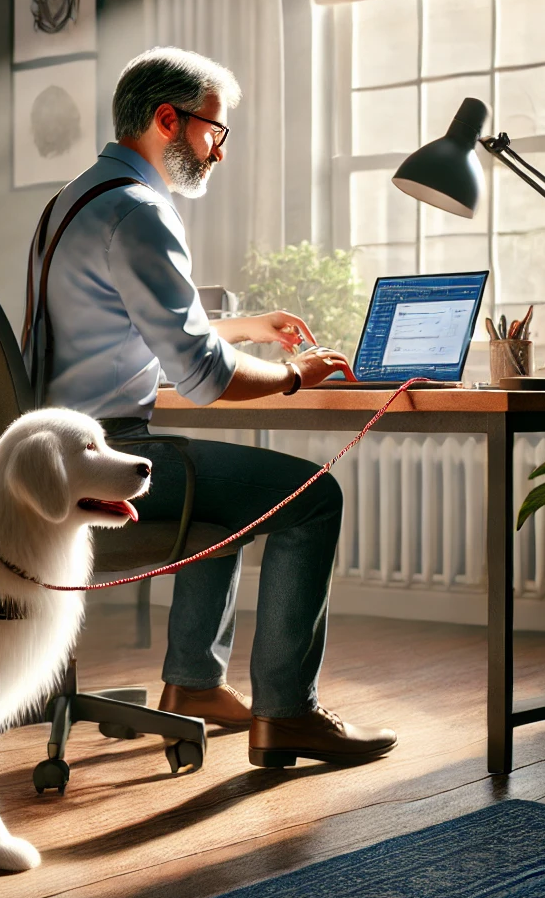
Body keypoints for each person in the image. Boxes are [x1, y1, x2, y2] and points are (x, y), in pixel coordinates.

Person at [22, 47, 396, 767]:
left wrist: (247, 327)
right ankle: (289, 714)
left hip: (60, 452)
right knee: (314, 497)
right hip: (107, 458)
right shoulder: (139, 211)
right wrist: (294, 376)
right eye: (214, 133)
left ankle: (195, 685)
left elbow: (128, 321)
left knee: (220, 494)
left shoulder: (76, 200)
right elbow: (199, 377)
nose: (218, 153)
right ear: (169, 119)